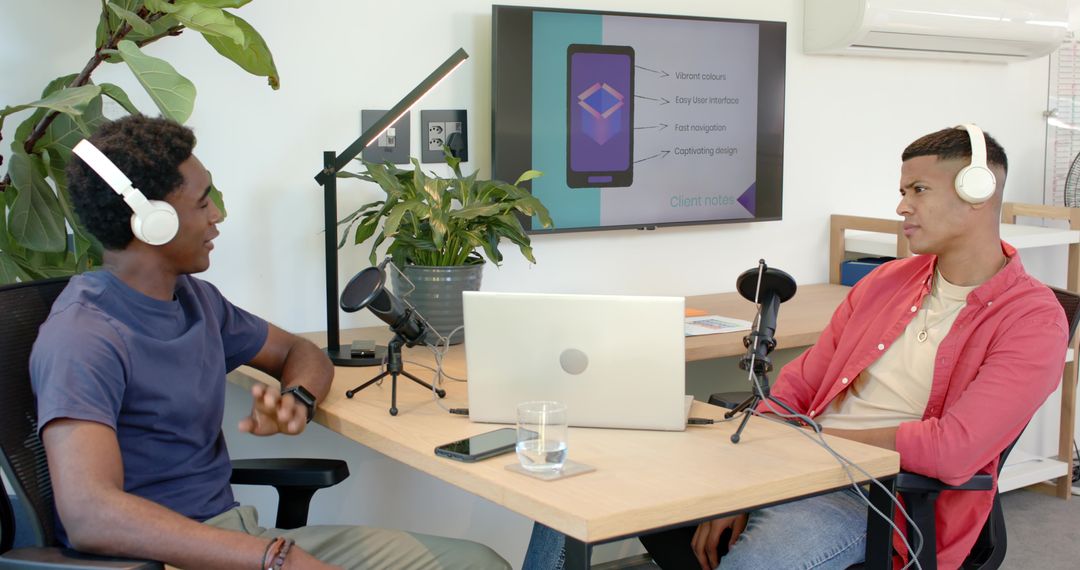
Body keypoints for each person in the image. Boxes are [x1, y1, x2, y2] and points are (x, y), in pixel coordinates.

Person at [525, 125, 1070, 570]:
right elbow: (799, 387)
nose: (902, 205)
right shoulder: (886, 282)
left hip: (874, 498)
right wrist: (744, 483)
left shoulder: (1031, 320)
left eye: (918, 190)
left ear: (977, 193)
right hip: (798, 463)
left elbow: (953, 449)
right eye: (903, 190)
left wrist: (813, 440)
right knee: (579, 488)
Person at [30, 115, 510, 570]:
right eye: (201, 203)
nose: (217, 215)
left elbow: (298, 352)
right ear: (151, 221)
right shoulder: (83, 337)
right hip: (163, 556)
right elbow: (89, 513)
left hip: (241, 541)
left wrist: (296, 398)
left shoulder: (194, 299)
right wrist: (270, 558)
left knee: (478, 564)